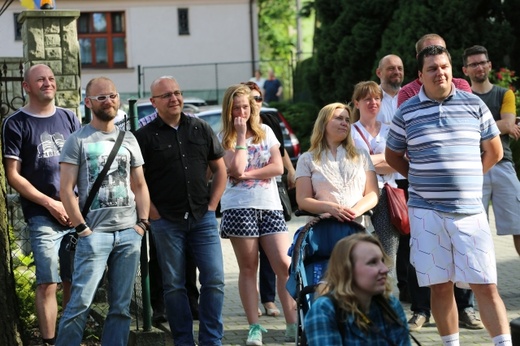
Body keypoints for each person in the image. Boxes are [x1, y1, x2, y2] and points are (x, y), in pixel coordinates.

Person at [386, 45, 512, 346]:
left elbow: (494, 151)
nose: (439, 72)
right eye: (432, 68)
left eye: (444, 66)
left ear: (452, 69)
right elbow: (393, 156)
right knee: (439, 287)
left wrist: (467, 179)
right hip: (425, 213)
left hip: (470, 212)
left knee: (486, 286)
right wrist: (420, 177)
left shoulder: (474, 105)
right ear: (420, 75)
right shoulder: (407, 111)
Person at [396, 33, 481, 332]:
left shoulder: (462, 86)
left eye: (442, 56)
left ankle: (466, 308)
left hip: (462, 193)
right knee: (422, 253)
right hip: (420, 184)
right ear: (419, 65)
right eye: (429, 60)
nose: (438, 69)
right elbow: (402, 142)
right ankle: (421, 309)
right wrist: (417, 175)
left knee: (466, 256)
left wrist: (471, 174)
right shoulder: (406, 94)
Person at [56, 77, 150, 346]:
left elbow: (140, 185)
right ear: (88, 103)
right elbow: (66, 190)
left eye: (112, 96)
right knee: (80, 304)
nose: (108, 101)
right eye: (101, 98)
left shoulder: (129, 138)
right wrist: (82, 229)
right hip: (94, 235)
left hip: (129, 233)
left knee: (120, 308)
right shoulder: (78, 140)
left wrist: (142, 225)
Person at [134, 76, 226, 346]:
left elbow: (221, 169)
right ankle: (183, 341)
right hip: (166, 222)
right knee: (173, 286)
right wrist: (152, 213)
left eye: (177, 93)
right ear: (154, 102)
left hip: (202, 218)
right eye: (166, 95)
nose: (174, 98)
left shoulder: (201, 128)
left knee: (215, 280)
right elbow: (136, 180)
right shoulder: (145, 137)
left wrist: (212, 206)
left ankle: (211, 339)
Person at [2, 64, 81, 346]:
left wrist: (75, 206)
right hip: (41, 215)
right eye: (40, 80)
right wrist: (50, 204)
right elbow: (13, 175)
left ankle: (70, 339)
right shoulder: (15, 123)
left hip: (75, 213)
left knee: (74, 280)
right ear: (27, 87)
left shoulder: (69, 118)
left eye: (50, 79)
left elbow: (82, 164)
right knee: (48, 281)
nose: (47, 83)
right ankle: (49, 342)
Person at [218, 84, 296, 345]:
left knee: (284, 265)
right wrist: (240, 136)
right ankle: (254, 327)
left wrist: (247, 175)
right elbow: (234, 166)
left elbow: (276, 168)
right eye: (236, 107)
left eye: (246, 106)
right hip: (239, 207)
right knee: (249, 267)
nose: (242, 111)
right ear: (229, 110)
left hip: (270, 205)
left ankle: (293, 323)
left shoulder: (267, 132)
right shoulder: (224, 137)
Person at [243, 81, 296, 318]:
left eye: (258, 99)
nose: (255, 103)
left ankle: (280, 309)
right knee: (252, 260)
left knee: (278, 258)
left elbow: (281, 155)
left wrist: (291, 172)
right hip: (246, 201)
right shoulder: (234, 130)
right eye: (251, 98)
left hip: (273, 196)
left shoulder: (270, 123)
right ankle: (263, 301)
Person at [462, 45, 520, 256]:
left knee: (519, 225)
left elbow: (509, 123)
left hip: (503, 163)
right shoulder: (461, 98)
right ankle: (480, 288)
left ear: (489, 65)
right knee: (475, 230)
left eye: (482, 62)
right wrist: (502, 126)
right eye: (473, 64)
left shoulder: (505, 94)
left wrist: (472, 128)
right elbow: (504, 126)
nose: (479, 67)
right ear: (465, 70)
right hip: (473, 168)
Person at [304, 233, 411, 345]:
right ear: (347, 270)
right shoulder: (325, 310)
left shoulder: (390, 305)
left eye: (382, 261)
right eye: (372, 262)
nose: (384, 269)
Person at [295, 102, 379, 238]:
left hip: (358, 228)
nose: (344, 123)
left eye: (347, 120)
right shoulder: (306, 159)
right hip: (322, 231)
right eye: (339, 118)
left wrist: (355, 212)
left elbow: (373, 193)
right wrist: (329, 208)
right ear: (323, 123)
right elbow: (303, 199)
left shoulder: (362, 155)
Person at [350, 81, 400, 268]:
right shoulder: (349, 132)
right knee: (359, 248)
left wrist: (366, 161)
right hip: (359, 196)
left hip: (388, 195)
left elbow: (397, 162)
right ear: (357, 103)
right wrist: (384, 159)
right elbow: (351, 165)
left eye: (377, 98)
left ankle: (384, 294)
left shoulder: (390, 130)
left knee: (388, 253)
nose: (373, 102)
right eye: (367, 99)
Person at [375, 54, 404, 125]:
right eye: (391, 69)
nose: (397, 72)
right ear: (379, 73)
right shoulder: (369, 100)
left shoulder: (411, 98)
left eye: (400, 68)